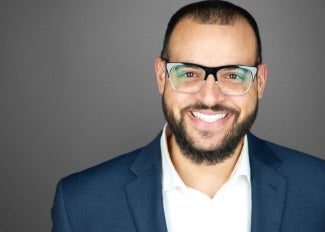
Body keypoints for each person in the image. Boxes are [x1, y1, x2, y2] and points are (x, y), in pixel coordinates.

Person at [51, 1, 325, 231]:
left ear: (260, 82)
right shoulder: (79, 204)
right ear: (161, 76)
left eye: (233, 75)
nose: (209, 97)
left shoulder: (319, 190)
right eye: (189, 73)